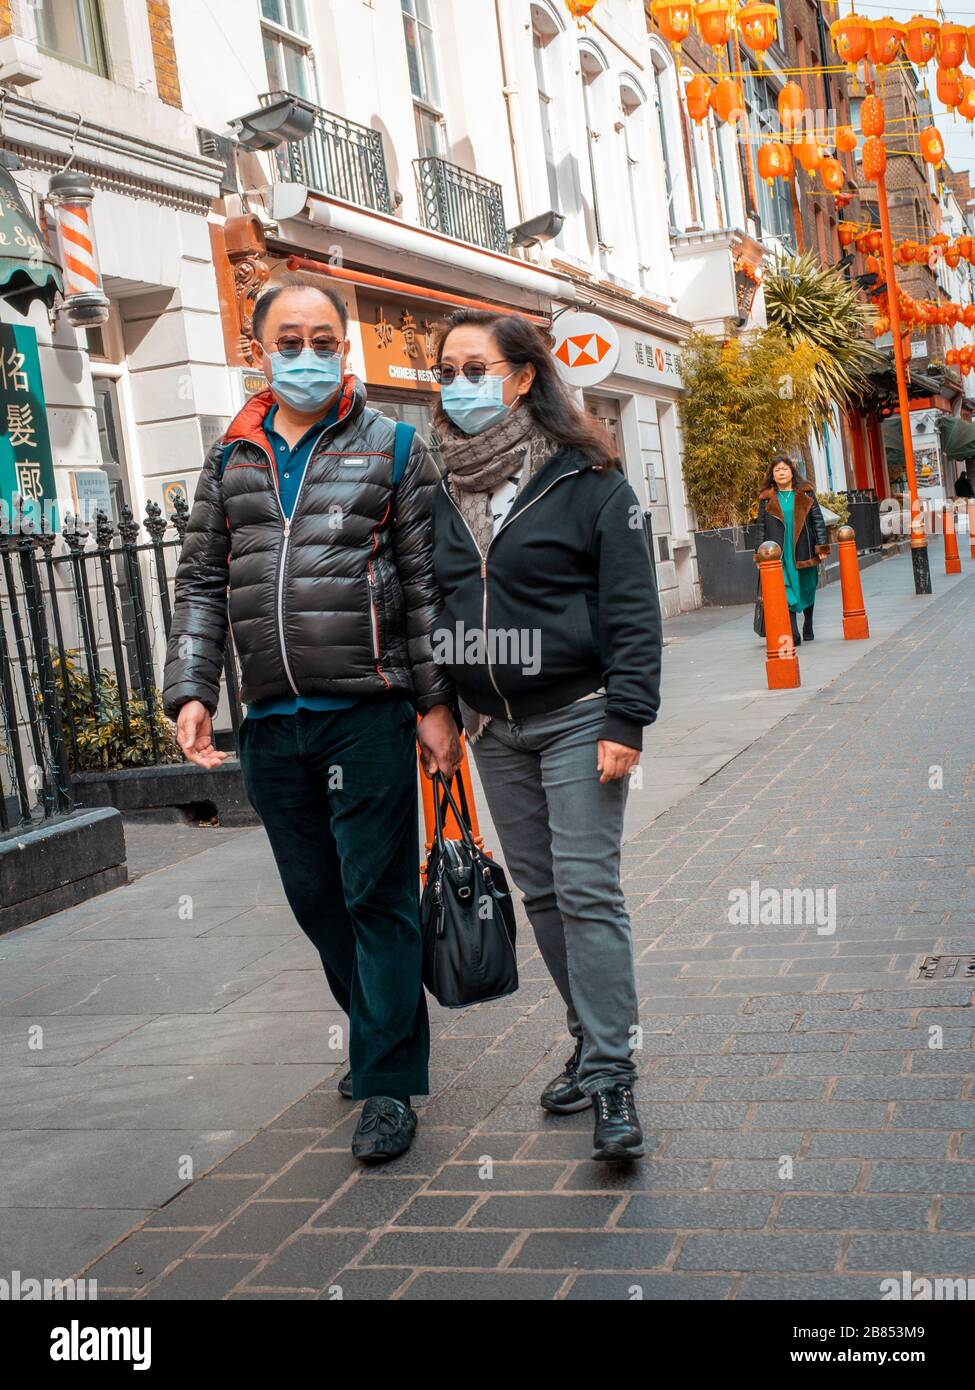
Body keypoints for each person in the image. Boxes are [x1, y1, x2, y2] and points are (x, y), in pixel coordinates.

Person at [162, 278, 460, 1164]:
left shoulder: (395, 447)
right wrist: (191, 690)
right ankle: (379, 1026)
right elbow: (202, 585)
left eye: (323, 339)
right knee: (316, 898)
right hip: (271, 722)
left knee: (376, 894)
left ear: (344, 347)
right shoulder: (230, 460)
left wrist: (435, 703)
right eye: (287, 339)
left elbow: (423, 587)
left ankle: (386, 1084)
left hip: (365, 711)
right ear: (257, 350)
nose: (306, 354)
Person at [428, 309, 662, 1162]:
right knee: (544, 897)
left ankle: (611, 1075)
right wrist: (440, 705)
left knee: (588, 889)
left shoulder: (588, 476)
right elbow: (430, 609)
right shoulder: (434, 485)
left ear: (522, 377)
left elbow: (632, 608)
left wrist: (626, 714)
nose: (459, 383)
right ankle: (589, 1038)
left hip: (577, 715)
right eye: (447, 369)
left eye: (475, 367)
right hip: (493, 729)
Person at [757, 455, 829, 645]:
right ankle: (794, 631)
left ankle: (809, 623)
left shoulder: (805, 493)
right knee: (785, 589)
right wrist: (760, 556)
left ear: (792, 472)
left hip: (803, 548)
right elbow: (761, 528)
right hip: (779, 552)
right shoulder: (766, 499)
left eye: (784, 469)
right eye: (777, 470)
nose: (781, 472)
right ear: (772, 475)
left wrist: (821, 546)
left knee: (807, 586)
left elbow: (818, 521)